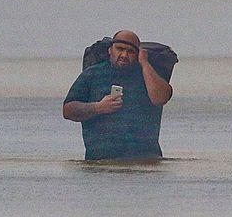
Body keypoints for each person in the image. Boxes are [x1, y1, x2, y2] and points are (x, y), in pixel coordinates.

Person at [63, 30, 173, 161]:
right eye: (119, 49)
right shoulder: (91, 74)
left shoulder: (148, 74)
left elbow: (161, 98)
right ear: (110, 50)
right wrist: (98, 107)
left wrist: (145, 63)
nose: (124, 55)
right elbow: (68, 110)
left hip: (146, 161)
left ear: (138, 54)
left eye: (131, 51)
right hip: (99, 162)